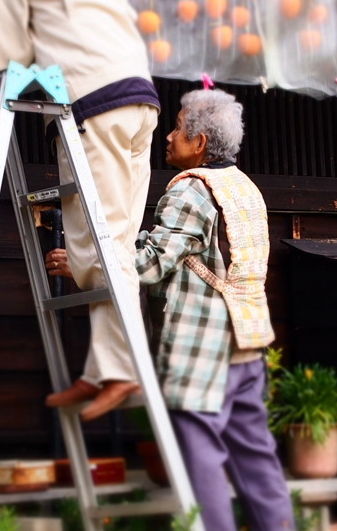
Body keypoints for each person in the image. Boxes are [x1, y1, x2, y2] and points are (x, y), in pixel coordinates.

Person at [0, 0, 160, 422]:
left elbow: (8, 57)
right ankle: (103, 366)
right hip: (142, 102)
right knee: (119, 240)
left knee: (94, 245)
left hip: (94, 107)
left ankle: (126, 370)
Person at [134, 89, 295, 531]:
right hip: (247, 338)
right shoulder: (245, 187)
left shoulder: (191, 189)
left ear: (199, 142)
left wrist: (86, 261)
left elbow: (148, 265)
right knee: (256, 457)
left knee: (201, 458)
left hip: (202, 345)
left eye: (178, 127)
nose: (167, 137)